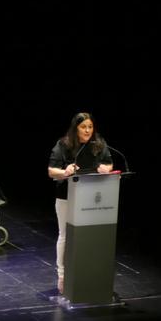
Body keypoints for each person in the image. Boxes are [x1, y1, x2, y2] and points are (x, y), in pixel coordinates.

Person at [48, 112, 113, 293]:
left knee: (89, 234)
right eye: (83, 127)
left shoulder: (98, 144)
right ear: (75, 129)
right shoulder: (64, 144)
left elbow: (109, 164)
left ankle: (88, 273)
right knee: (65, 235)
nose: (87, 130)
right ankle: (62, 275)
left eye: (90, 127)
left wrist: (105, 169)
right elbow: (51, 171)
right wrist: (65, 171)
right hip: (66, 196)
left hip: (91, 196)